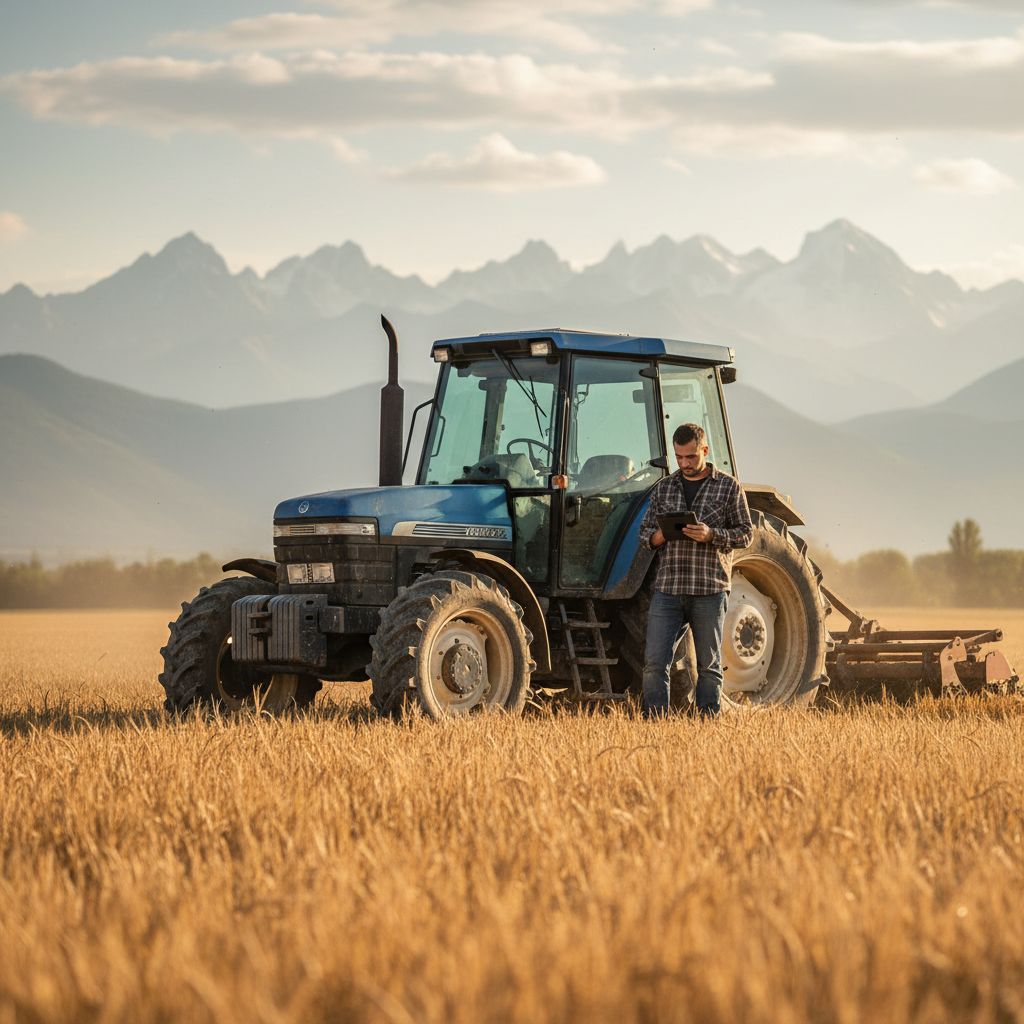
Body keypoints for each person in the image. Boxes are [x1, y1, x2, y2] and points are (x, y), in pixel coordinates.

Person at [638, 423, 753, 717]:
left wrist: (711, 535)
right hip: (669, 588)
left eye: (690, 457)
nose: (684, 464)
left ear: (704, 450)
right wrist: (659, 536)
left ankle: (707, 721)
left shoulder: (729, 487)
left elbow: (745, 534)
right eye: (679, 458)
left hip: (709, 589)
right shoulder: (665, 487)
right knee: (654, 663)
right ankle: (654, 721)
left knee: (708, 665)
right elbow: (644, 535)